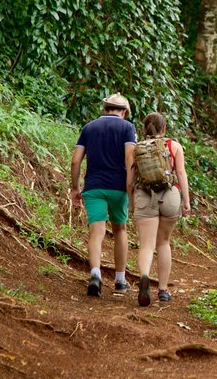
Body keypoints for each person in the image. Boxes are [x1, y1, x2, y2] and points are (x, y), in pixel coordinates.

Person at [70, 93, 137, 297]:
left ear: (105, 109)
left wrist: (75, 188)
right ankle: (120, 280)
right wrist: (129, 187)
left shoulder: (88, 128)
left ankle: (96, 274)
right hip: (118, 187)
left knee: (96, 231)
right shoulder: (127, 128)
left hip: (94, 187)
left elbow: (75, 161)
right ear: (123, 112)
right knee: (120, 230)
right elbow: (129, 158)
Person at [133, 112, 191, 306]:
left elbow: (129, 179)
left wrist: (130, 201)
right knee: (164, 242)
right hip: (170, 196)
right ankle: (163, 290)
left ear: (144, 129)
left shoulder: (136, 148)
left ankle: (144, 276)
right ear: (164, 128)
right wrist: (186, 201)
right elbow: (181, 173)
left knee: (146, 244)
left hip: (144, 195)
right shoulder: (174, 146)